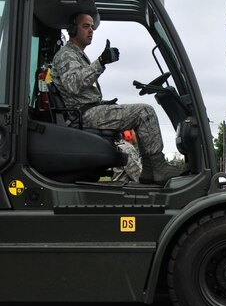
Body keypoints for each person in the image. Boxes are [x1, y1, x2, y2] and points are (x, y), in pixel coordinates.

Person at [51, 12, 179, 185]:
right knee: (144, 112)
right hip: (85, 115)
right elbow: (74, 85)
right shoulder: (66, 55)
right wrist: (101, 61)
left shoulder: (77, 55)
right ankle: (158, 166)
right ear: (73, 29)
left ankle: (149, 170)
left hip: (89, 110)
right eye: (85, 26)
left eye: (92, 27)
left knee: (141, 113)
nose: (91, 31)